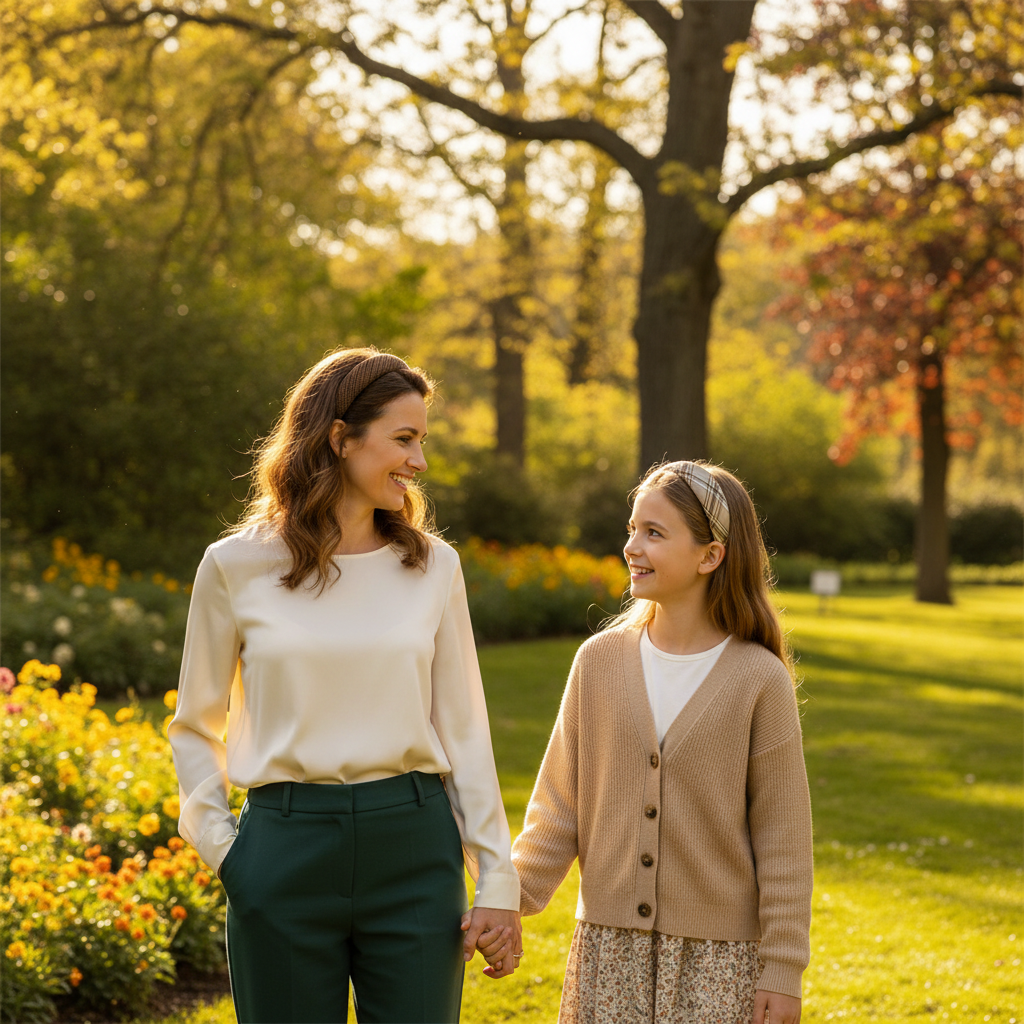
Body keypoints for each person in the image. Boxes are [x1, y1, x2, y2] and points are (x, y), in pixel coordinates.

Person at [168, 347, 522, 1024]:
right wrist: (228, 853)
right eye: (404, 439)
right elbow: (194, 726)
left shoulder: (434, 568)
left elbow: (465, 730)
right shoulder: (235, 566)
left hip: (415, 848)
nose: (418, 461)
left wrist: (496, 879)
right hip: (283, 852)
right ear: (339, 438)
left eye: (422, 440)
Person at [511, 461, 813, 1024]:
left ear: (710, 555)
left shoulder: (758, 678)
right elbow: (557, 809)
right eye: (631, 529)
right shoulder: (597, 663)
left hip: (718, 964)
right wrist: (506, 900)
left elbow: (783, 838)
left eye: (653, 533)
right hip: (608, 951)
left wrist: (783, 969)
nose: (631, 546)